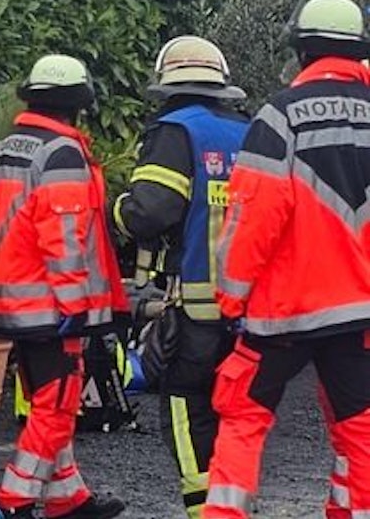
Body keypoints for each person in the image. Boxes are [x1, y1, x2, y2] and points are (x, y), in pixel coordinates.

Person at [203, 0, 370, 519]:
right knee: (361, 429)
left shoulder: (280, 115)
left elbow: (254, 216)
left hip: (284, 310)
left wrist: (231, 299)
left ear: (302, 50)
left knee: (243, 415)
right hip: (360, 309)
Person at [0, 54, 128, 519]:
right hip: (53, 306)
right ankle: (13, 499)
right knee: (57, 405)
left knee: (48, 399)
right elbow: (64, 238)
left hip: (12, 303)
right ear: (78, 104)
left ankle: (67, 497)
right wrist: (76, 304)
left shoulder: (0, 152)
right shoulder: (61, 153)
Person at [111, 36, 249, 518]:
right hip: (250, 311)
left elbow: (150, 212)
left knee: (187, 410)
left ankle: (205, 512)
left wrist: (116, 210)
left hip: (195, 309)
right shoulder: (248, 131)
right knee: (237, 417)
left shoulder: (174, 131)